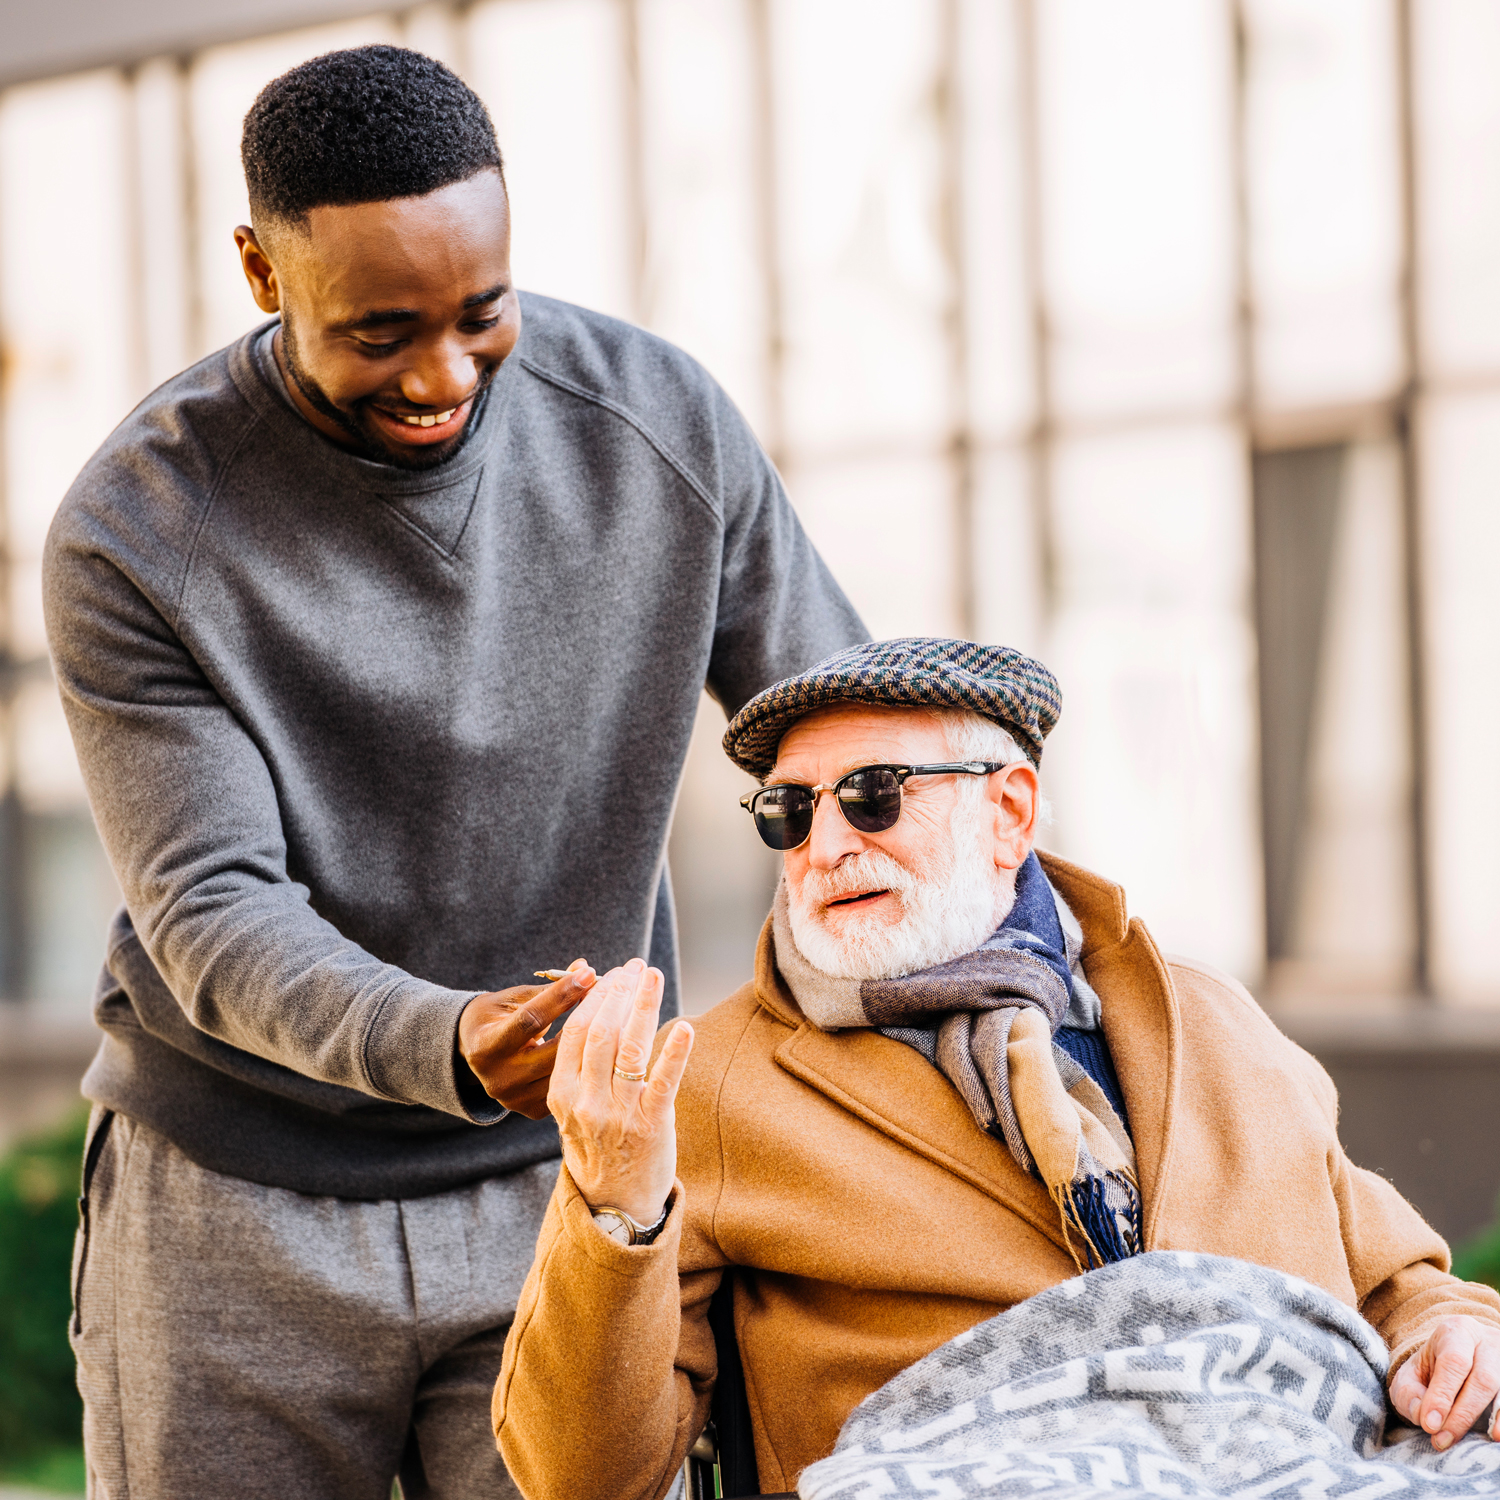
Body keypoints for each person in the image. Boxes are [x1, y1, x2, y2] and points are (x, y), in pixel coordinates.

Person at [42, 44, 864, 1500]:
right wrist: (454, 1039)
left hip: (566, 1193)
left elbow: (842, 729)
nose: (441, 374)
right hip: (237, 1215)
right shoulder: (140, 530)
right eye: (378, 332)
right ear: (260, 270)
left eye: (481, 313)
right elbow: (214, 909)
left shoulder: (658, 427)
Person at [495, 636, 1500, 1500]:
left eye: (873, 797)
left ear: (1011, 812)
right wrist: (614, 1207)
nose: (826, 845)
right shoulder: (710, 1082)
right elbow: (580, 1478)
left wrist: (1451, 1335)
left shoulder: (1206, 1016)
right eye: (791, 814)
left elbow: (1400, 1283)